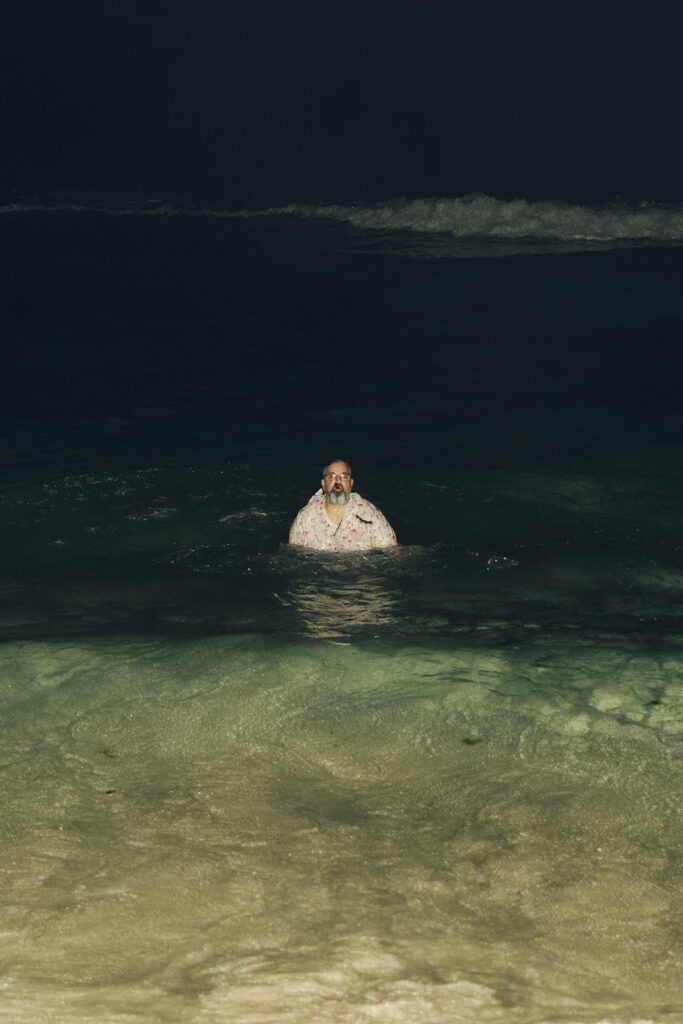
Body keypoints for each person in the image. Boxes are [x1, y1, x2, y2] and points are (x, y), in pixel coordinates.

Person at [289, 460, 397, 551]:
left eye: (343, 477)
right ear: (323, 484)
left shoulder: (370, 515)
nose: (338, 481)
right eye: (331, 477)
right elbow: (293, 557)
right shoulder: (305, 518)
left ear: (351, 483)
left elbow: (392, 553)